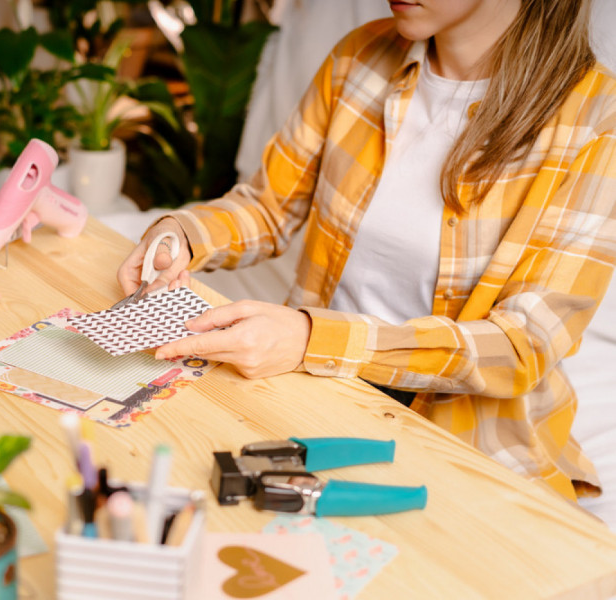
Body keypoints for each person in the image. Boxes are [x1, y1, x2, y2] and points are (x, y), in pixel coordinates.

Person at [117, 0, 616, 502]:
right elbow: (270, 207)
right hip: (309, 383)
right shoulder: (360, 55)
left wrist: (313, 337)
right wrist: (182, 232)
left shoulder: (597, 120)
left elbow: (522, 345)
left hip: (469, 443)